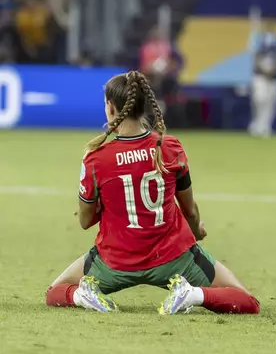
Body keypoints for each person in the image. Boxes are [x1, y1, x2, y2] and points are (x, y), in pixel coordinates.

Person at [45, 71, 261, 314]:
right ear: (145, 106)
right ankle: (192, 294)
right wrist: (197, 231)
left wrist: (105, 204)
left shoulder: (96, 158)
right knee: (246, 301)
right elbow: (189, 210)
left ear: (110, 107)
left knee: (56, 291)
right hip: (174, 258)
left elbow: (85, 221)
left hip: (114, 261)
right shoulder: (169, 147)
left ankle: (83, 296)